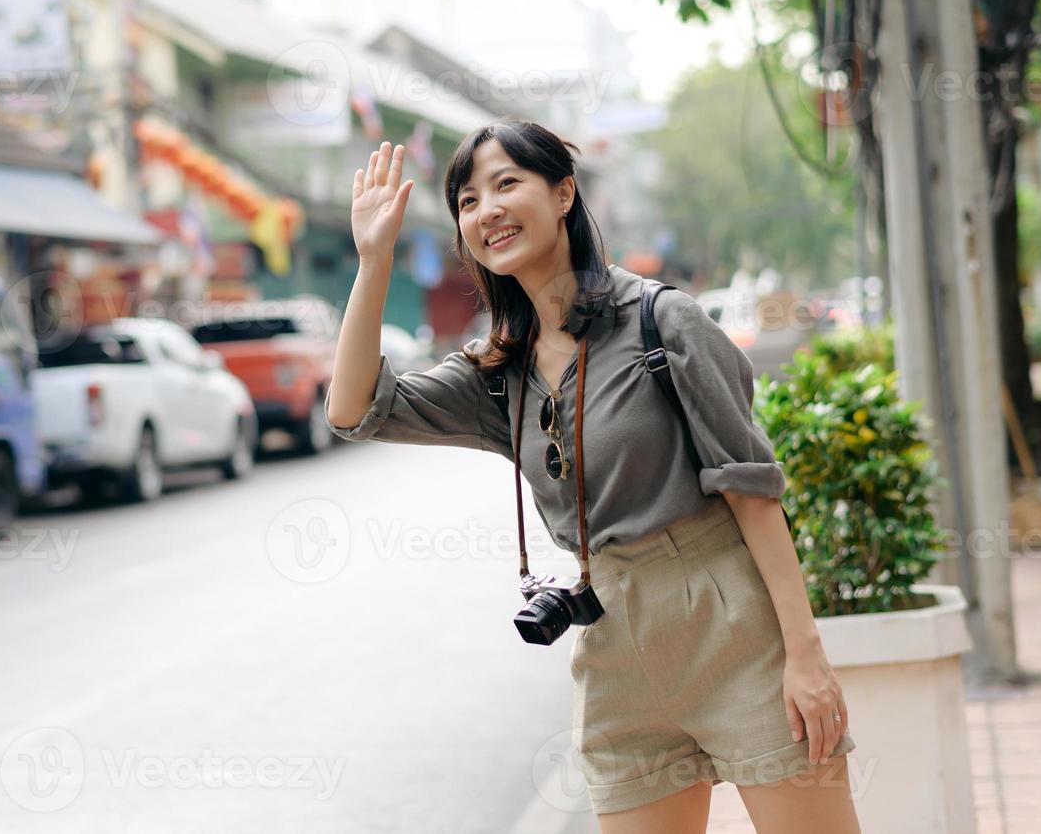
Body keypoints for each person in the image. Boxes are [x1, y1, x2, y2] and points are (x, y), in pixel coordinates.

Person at [324, 123, 862, 834]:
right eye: (467, 198)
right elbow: (353, 408)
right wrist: (374, 260)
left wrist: (806, 654)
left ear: (564, 192)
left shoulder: (661, 322)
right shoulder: (496, 372)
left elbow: (750, 489)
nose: (487, 208)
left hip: (731, 623)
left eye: (507, 183)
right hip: (613, 645)